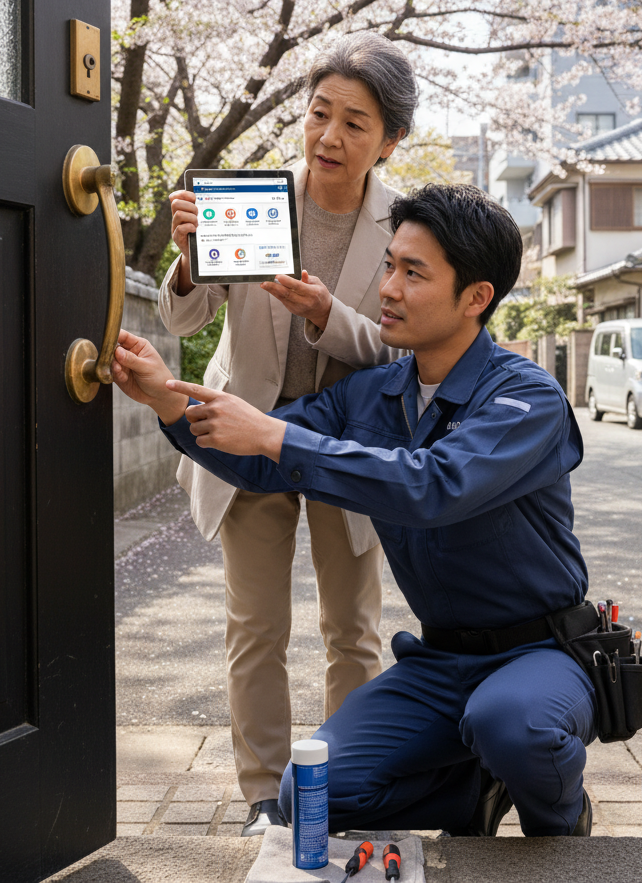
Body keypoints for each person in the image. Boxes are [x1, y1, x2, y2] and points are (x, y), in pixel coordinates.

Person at [117, 184, 597, 837]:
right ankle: (472, 796)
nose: (389, 289)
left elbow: (434, 486)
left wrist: (274, 434)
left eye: (413, 273)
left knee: (513, 727)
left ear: (476, 298)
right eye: (389, 266)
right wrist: (167, 401)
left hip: (539, 654)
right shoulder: (372, 395)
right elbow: (261, 459)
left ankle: (562, 820)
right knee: (305, 793)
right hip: (441, 666)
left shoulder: (525, 398)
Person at [158, 32, 416, 834]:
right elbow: (184, 316)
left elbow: (401, 347)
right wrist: (192, 259)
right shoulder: (256, 204)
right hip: (248, 433)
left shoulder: (405, 227)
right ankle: (264, 796)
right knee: (256, 627)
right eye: (319, 114)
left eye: (355, 123)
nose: (330, 137)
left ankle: (347, 785)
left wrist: (327, 317)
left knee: (352, 630)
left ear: (389, 140)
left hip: (348, 447)